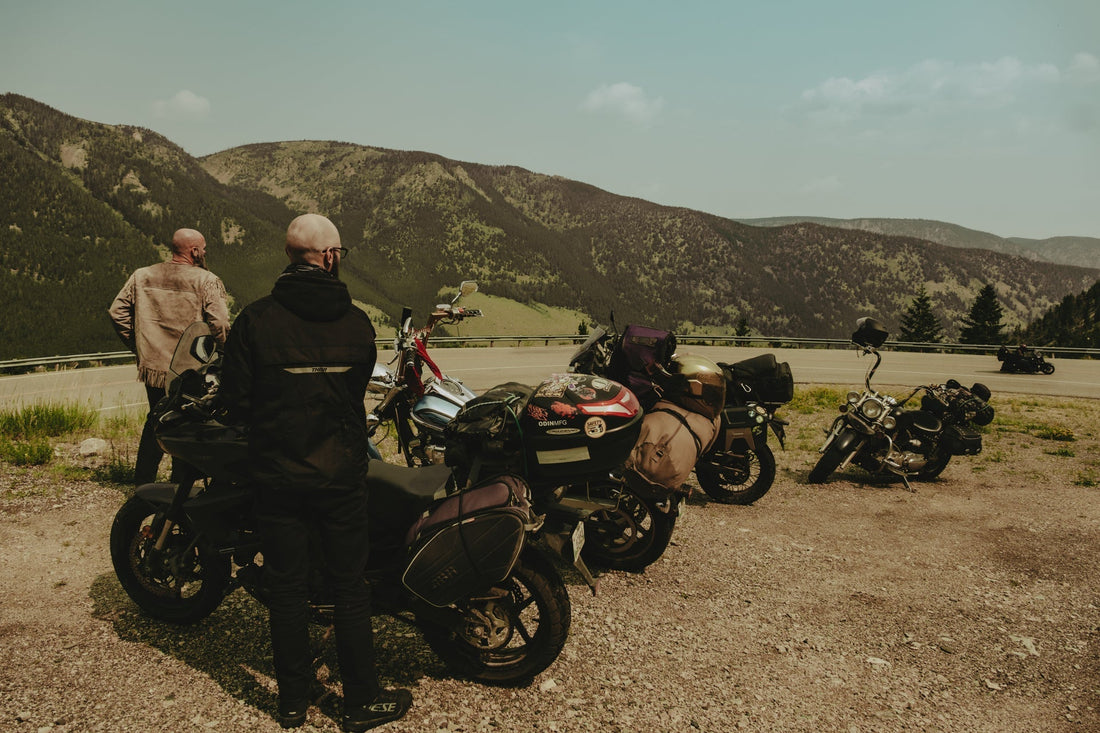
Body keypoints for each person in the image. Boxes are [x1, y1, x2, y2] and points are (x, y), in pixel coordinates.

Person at [218, 214, 410, 732]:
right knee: (349, 587)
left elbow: (234, 403)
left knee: (287, 589)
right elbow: (351, 400)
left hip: (278, 477)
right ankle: (361, 700)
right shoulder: (357, 323)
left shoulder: (255, 321)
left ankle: (291, 704)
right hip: (342, 476)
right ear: (328, 257)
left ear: (290, 255)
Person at [108, 228, 229, 486]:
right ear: (194, 251)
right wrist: (225, 353)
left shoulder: (142, 275)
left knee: (156, 419)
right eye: (203, 248)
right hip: (190, 369)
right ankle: (178, 485)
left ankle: (143, 483)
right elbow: (219, 323)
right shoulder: (206, 280)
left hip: (154, 368)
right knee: (185, 423)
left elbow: (117, 312)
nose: (205, 252)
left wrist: (140, 346)